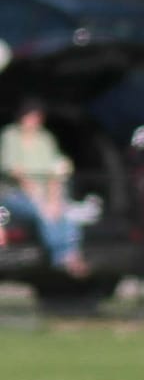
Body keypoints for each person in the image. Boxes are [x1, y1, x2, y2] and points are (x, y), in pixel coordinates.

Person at [1, 99, 88, 277]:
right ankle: (60, 255)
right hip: (16, 194)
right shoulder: (10, 136)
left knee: (64, 212)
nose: (34, 120)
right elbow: (15, 171)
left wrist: (54, 199)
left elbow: (55, 172)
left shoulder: (45, 139)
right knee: (44, 212)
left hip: (44, 191)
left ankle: (71, 253)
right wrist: (39, 199)